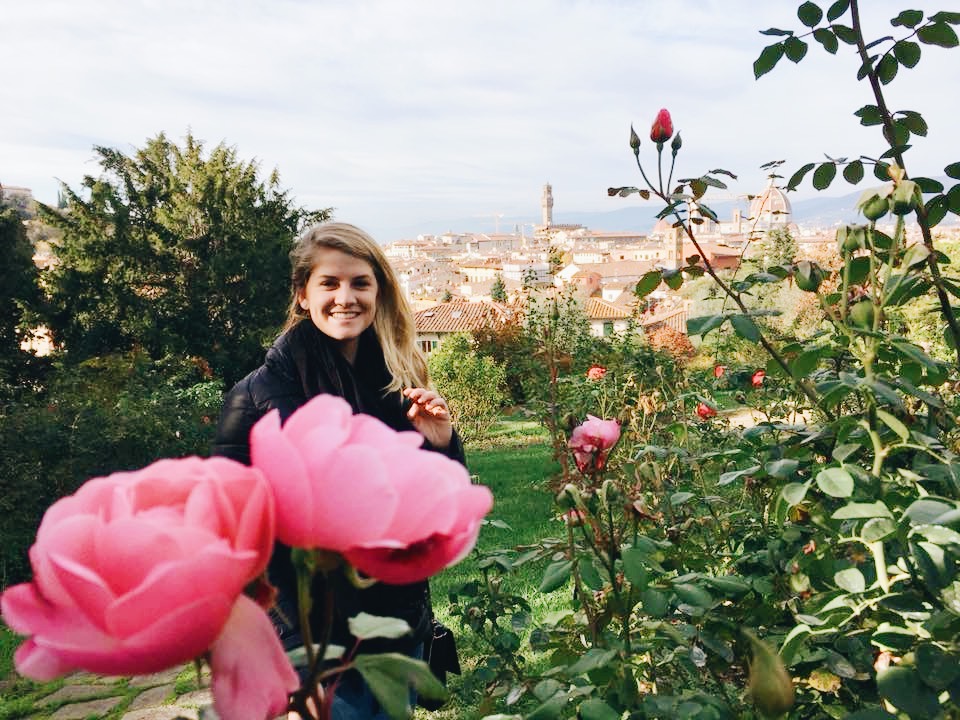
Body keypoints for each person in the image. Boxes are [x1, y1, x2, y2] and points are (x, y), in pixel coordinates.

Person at [212, 222, 465, 719]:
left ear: (379, 292)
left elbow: (434, 510)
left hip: (397, 627)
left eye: (360, 283)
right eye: (329, 283)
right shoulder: (255, 397)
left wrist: (441, 445)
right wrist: (291, 653)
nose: (345, 297)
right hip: (315, 643)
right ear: (303, 295)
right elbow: (233, 537)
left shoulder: (399, 383)